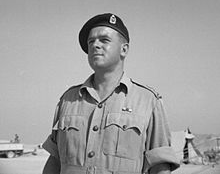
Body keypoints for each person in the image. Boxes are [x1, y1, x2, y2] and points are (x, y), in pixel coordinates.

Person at [42, 13, 180, 174]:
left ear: (124, 49)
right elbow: (55, 159)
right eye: (91, 41)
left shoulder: (148, 101)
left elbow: (160, 165)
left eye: (104, 40)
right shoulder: (68, 100)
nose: (95, 45)